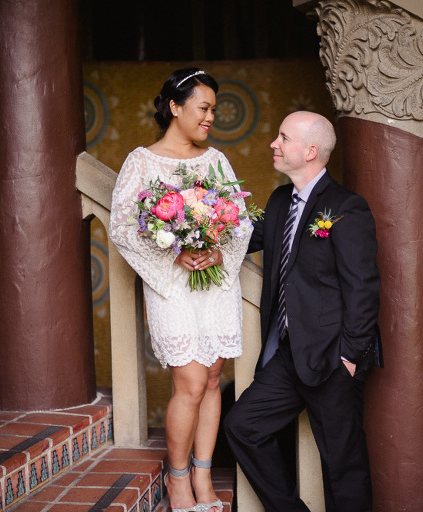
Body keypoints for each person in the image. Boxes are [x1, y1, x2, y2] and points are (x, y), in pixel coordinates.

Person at [224, 111, 381, 512]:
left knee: (343, 466)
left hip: (332, 357)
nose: (273, 144)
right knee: (243, 427)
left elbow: (362, 287)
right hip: (289, 355)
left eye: (283, 137)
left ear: (310, 151)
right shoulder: (279, 202)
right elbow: (241, 238)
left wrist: (349, 356)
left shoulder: (347, 206)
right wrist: (194, 223)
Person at [110, 67, 251, 512]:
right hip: (171, 285)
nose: (210, 117)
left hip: (212, 286)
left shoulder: (215, 162)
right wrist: (174, 255)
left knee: (212, 379)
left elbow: (240, 221)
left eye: (213, 109)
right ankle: (177, 480)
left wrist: (217, 253)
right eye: (203, 108)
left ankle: (204, 478)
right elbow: (122, 227)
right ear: (175, 106)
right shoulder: (141, 161)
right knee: (189, 380)